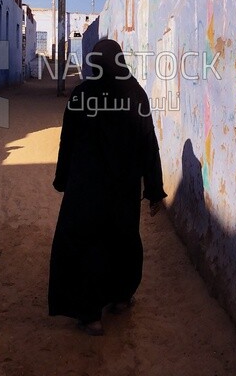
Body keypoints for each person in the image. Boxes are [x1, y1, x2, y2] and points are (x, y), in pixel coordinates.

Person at [48, 38, 166, 336]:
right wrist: (153, 189)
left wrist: (63, 178)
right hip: (122, 188)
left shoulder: (82, 94)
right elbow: (148, 144)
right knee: (122, 240)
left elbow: (68, 142)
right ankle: (121, 297)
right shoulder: (135, 94)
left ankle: (90, 315)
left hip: (86, 188)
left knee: (86, 245)